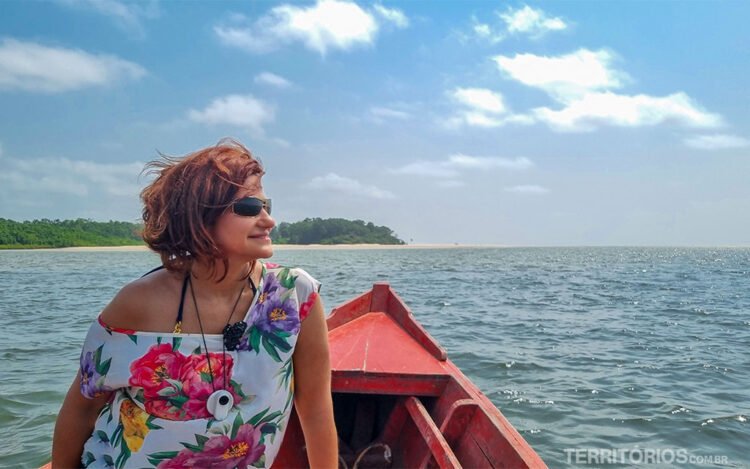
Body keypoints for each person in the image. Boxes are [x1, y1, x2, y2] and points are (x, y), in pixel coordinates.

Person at [52, 139, 338, 468]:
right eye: (248, 208)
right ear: (199, 217)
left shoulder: (294, 296)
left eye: (266, 206)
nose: (268, 221)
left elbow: (315, 409)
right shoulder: (138, 303)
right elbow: (83, 406)